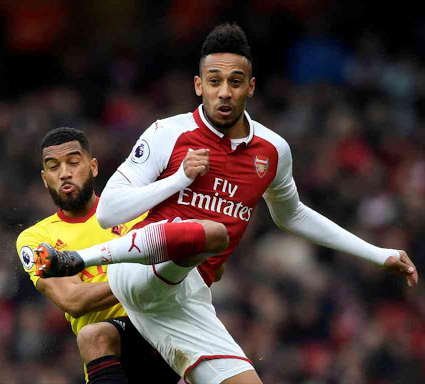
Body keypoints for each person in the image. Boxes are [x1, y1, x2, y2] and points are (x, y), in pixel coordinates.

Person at [35, 23, 418, 384]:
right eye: (215, 82)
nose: (224, 92)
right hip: (136, 271)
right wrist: (178, 179)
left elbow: (293, 215)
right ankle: (81, 259)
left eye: (235, 82)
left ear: (250, 87)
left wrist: (376, 253)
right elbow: (108, 212)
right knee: (213, 233)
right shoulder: (167, 133)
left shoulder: (273, 151)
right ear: (199, 86)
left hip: (186, 296)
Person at [16, 127, 181, 384]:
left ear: (93, 167)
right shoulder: (35, 240)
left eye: (73, 162)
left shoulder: (137, 211)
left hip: (164, 330)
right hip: (113, 356)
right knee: (94, 335)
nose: (64, 173)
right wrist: (151, 280)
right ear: (44, 178)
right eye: (53, 167)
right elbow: (72, 299)